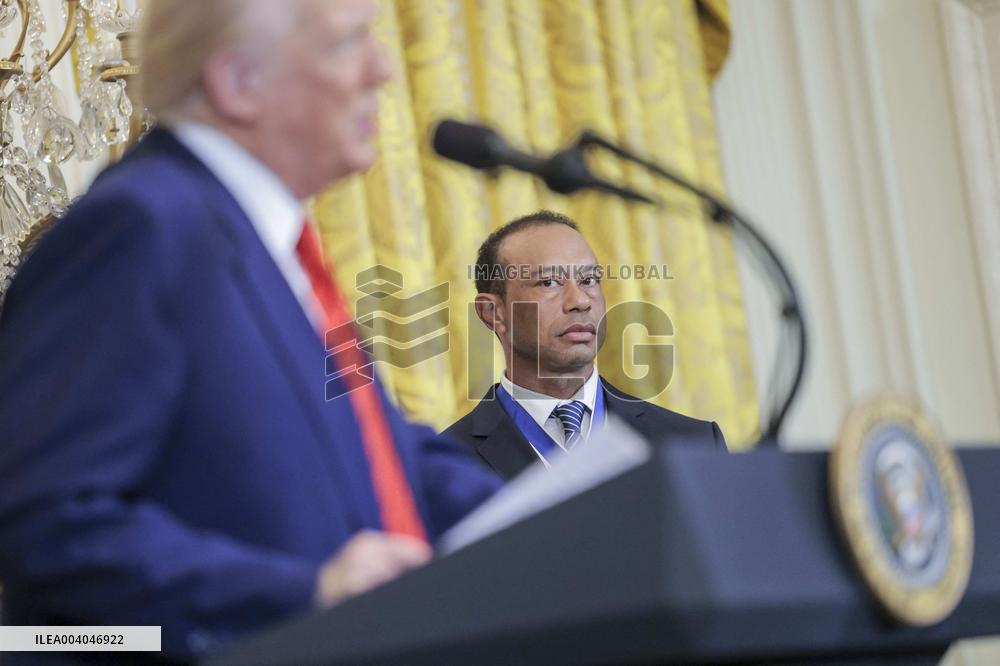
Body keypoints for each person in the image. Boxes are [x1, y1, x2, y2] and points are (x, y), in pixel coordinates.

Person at [0, 0, 501, 660]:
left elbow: (374, 451)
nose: (381, 69)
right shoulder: (143, 224)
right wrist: (301, 593)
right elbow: (48, 519)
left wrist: (566, 506)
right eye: (348, 43)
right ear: (237, 82)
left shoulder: (268, 243)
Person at [444, 210, 726, 480]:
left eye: (589, 280)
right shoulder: (446, 467)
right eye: (549, 282)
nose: (580, 301)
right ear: (493, 313)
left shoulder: (692, 443)